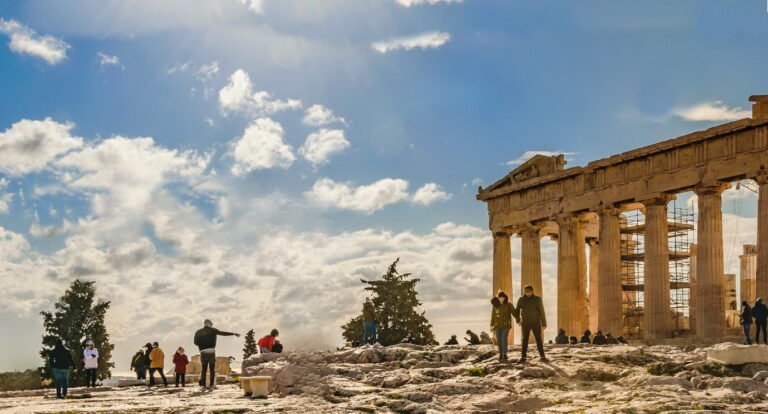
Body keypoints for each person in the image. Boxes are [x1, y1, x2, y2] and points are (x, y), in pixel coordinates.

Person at [194, 319, 240, 389]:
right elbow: (223, 333)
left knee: (204, 369)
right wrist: (233, 334)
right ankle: (212, 385)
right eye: (211, 325)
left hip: (203, 352)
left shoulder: (198, 332)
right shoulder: (213, 330)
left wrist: (202, 345)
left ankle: (203, 385)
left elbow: (195, 342)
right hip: (211, 352)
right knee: (212, 369)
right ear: (209, 324)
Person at [514, 285, 548, 363]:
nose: (528, 293)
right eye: (526, 292)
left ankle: (542, 356)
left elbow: (542, 311)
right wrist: (518, 320)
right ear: (524, 292)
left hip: (536, 322)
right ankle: (523, 357)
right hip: (525, 323)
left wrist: (544, 323)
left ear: (532, 291)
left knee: (539, 339)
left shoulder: (537, 299)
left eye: (529, 291)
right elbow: (517, 311)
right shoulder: (521, 299)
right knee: (524, 340)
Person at [490, 290, 515, 362]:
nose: (501, 299)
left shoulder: (508, 304)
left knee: (504, 338)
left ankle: (505, 354)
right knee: (499, 340)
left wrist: (518, 320)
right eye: (500, 298)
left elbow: (514, 313)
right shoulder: (495, 305)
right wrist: (491, 325)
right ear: (498, 298)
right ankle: (500, 354)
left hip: (506, 325)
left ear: (505, 298)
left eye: (502, 298)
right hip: (497, 326)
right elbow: (493, 316)